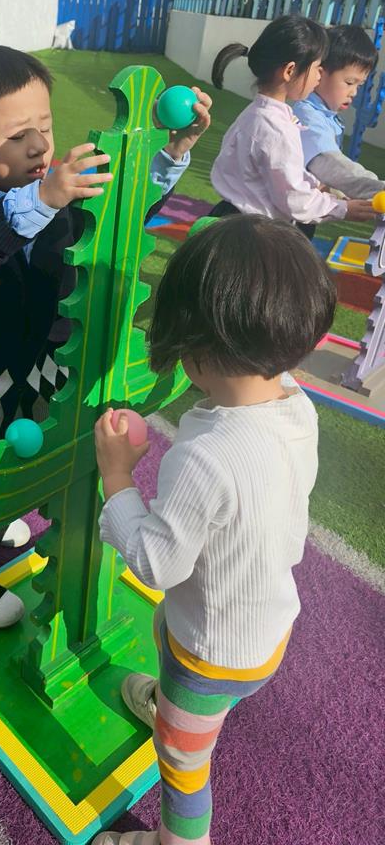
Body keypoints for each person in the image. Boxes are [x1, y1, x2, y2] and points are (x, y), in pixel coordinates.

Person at [0, 44, 211, 629]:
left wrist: (174, 151)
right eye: (18, 135)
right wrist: (42, 199)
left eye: (46, 126)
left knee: (27, 443)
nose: (39, 145)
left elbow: (122, 211)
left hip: (44, 357)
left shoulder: (61, 192)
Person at [92, 214, 337, 845]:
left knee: (181, 763)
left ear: (193, 342)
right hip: (266, 628)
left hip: (210, 657)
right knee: (168, 630)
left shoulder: (206, 455)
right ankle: (168, 704)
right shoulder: (295, 402)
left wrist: (117, 477)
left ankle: (178, 840)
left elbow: (157, 564)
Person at [209, 14, 374, 233]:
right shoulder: (276, 129)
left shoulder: (257, 114)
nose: (319, 75)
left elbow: (285, 177)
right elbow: (294, 199)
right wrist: (342, 208)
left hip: (232, 221)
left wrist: (321, 189)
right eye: (317, 67)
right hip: (252, 233)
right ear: (289, 71)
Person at [293, 24, 384, 200]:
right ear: (320, 73)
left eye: (360, 85)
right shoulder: (307, 115)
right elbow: (331, 165)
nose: (354, 92)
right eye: (349, 82)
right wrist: (379, 189)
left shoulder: (326, 115)